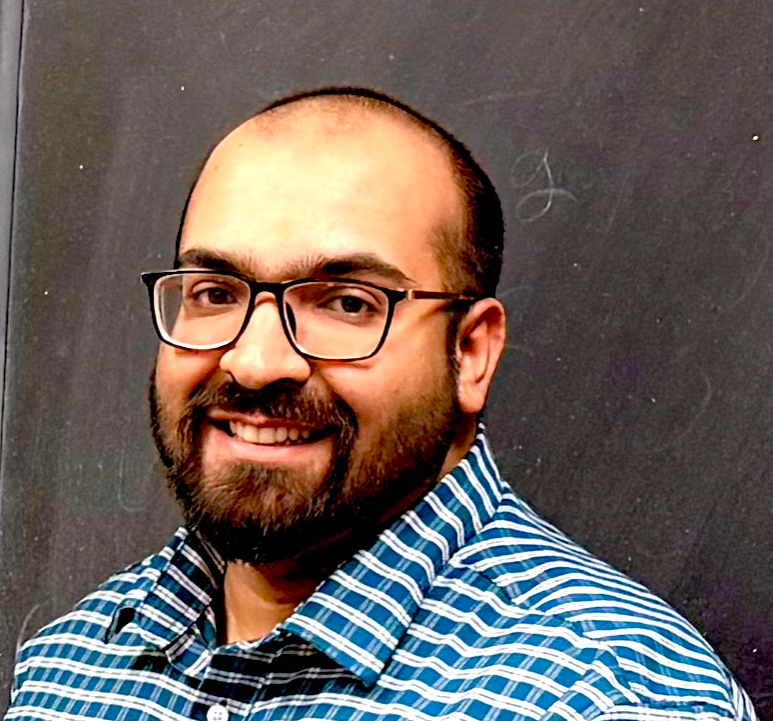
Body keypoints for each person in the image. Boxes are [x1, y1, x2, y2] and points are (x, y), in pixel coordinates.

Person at [7, 87, 757, 720]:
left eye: (346, 303)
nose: (256, 361)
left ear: (470, 353)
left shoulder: (606, 697)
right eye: (214, 292)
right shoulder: (66, 669)